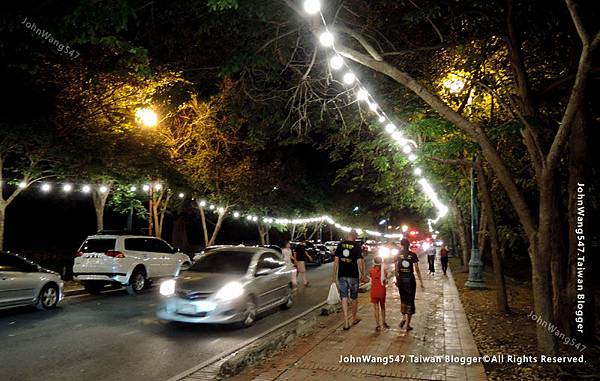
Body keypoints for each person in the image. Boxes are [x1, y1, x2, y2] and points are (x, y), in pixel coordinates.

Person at [332, 230, 367, 330]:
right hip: (353, 275)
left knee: (344, 298)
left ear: (347, 235)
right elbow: (360, 262)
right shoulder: (356, 246)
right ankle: (354, 318)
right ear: (355, 236)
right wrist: (363, 275)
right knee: (354, 297)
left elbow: (336, 262)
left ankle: (346, 322)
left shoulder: (340, 245)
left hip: (342, 275)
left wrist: (333, 276)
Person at [395, 238, 424, 331]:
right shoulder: (413, 255)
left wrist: (397, 280)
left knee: (403, 299)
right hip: (410, 279)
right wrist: (421, 281)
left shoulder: (398, 255)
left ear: (401, 245)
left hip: (401, 280)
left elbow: (396, 270)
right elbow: (417, 269)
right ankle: (408, 324)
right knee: (410, 300)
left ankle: (403, 318)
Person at [370, 256, 389, 331]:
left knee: (376, 308)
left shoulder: (371, 270)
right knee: (383, 307)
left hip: (374, 291)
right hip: (382, 291)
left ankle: (377, 324)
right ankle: (384, 321)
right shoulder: (384, 271)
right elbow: (385, 280)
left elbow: (371, 277)